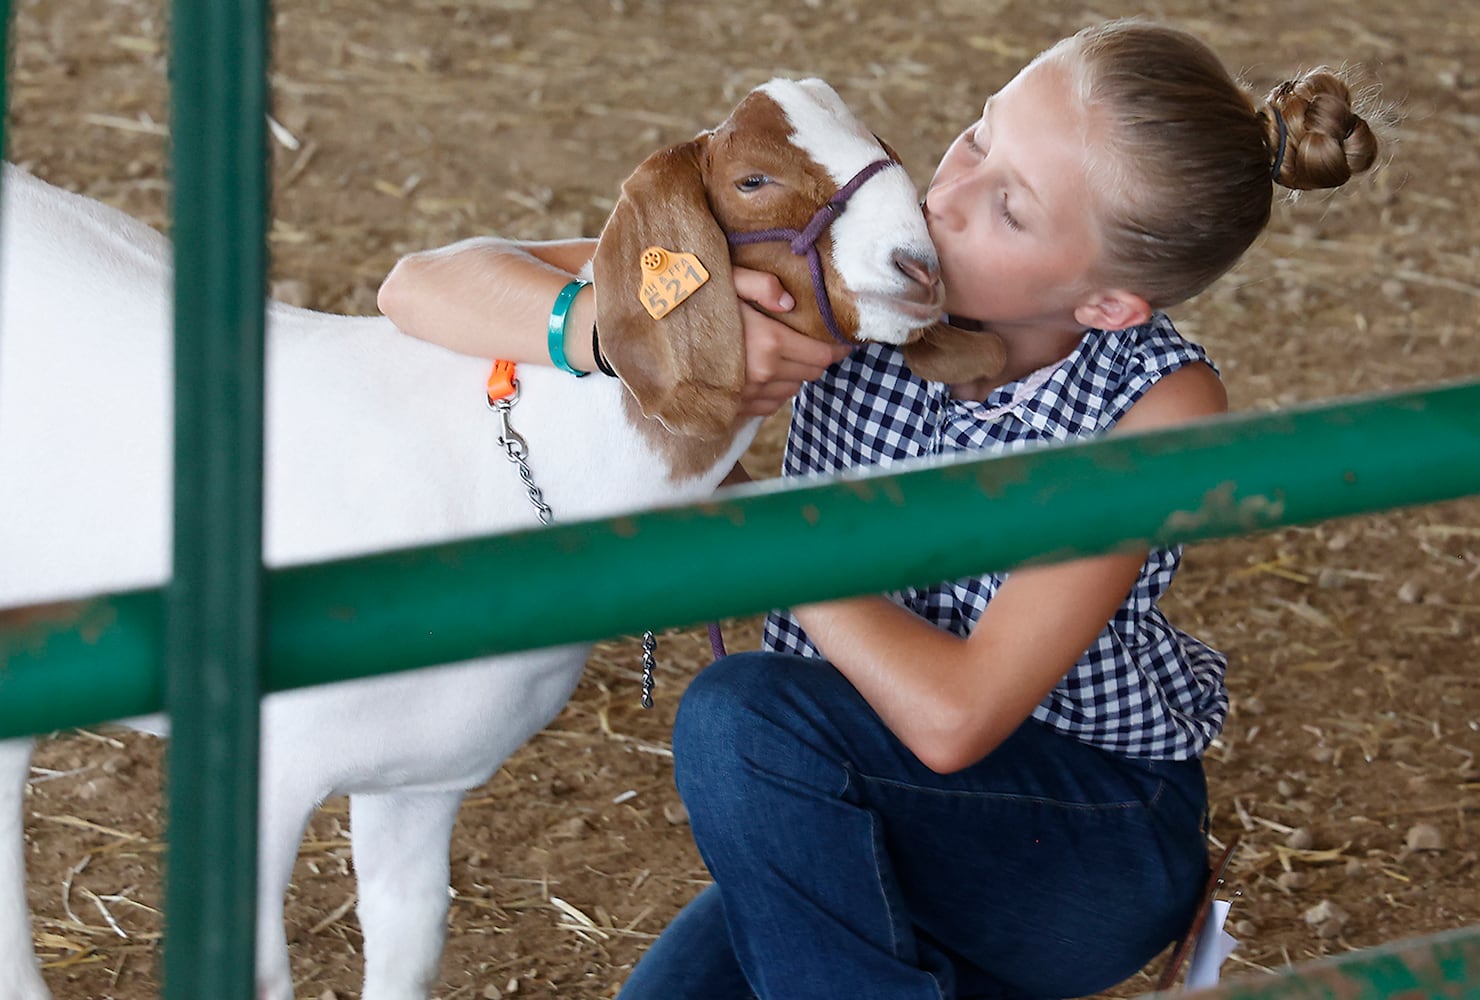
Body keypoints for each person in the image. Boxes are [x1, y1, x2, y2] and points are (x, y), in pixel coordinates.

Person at [377, 18, 1381, 999]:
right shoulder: (853, 262)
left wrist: (760, 532)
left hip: (1072, 845)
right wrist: (613, 328)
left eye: (1012, 209)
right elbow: (419, 287)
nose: (945, 196)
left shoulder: (1158, 402)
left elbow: (955, 721)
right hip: (842, 813)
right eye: (978, 134)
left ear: (1106, 303)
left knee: (739, 716)